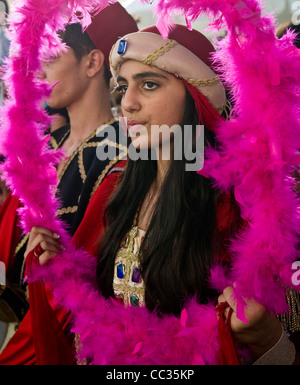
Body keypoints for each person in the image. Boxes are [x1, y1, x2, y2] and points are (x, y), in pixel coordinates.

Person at [23, 25, 299, 365]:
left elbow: (287, 346)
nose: (128, 103)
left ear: (194, 95)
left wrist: (267, 339)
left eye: (149, 85)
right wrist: (58, 267)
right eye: (123, 87)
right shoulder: (115, 183)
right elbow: (87, 311)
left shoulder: (243, 205)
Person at [0, 2, 138, 364]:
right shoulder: (52, 147)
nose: (38, 70)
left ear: (93, 63)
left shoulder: (120, 152)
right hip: (28, 325)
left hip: (76, 339)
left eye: (50, 56)